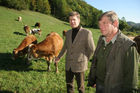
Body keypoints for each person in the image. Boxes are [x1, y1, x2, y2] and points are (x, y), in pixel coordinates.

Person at [87, 11, 139, 93]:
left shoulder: (128, 46)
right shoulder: (101, 39)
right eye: (100, 24)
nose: (101, 26)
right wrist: (94, 79)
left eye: (104, 23)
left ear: (115, 23)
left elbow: (131, 81)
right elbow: (96, 61)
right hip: (99, 85)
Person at [55, 11, 95, 93]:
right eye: (70, 20)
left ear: (78, 20)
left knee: (80, 87)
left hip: (80, 64)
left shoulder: (86, 33)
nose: (72, 22)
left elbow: (92, 49)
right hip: (68, 64)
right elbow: (65, 47)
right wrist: (59, 56)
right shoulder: (68, 33)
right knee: (69, 85)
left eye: (74, 19)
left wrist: (85, 58)